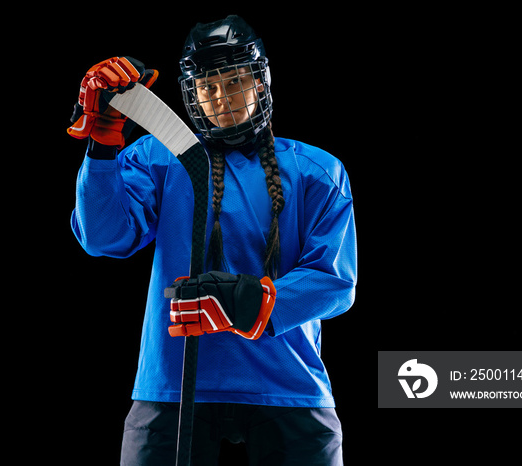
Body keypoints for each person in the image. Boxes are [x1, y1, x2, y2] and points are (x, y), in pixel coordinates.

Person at [68, 15, 356, 466]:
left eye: (236, 82)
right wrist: (103, 146)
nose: (222, 99)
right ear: (193, 94)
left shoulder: (316, 170)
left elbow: (335, 282)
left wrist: (253, 300)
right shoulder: (157, 157)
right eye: (209, 87)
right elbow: (104, 238)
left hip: (287, 385)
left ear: (259, 84)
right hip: (173, 381)